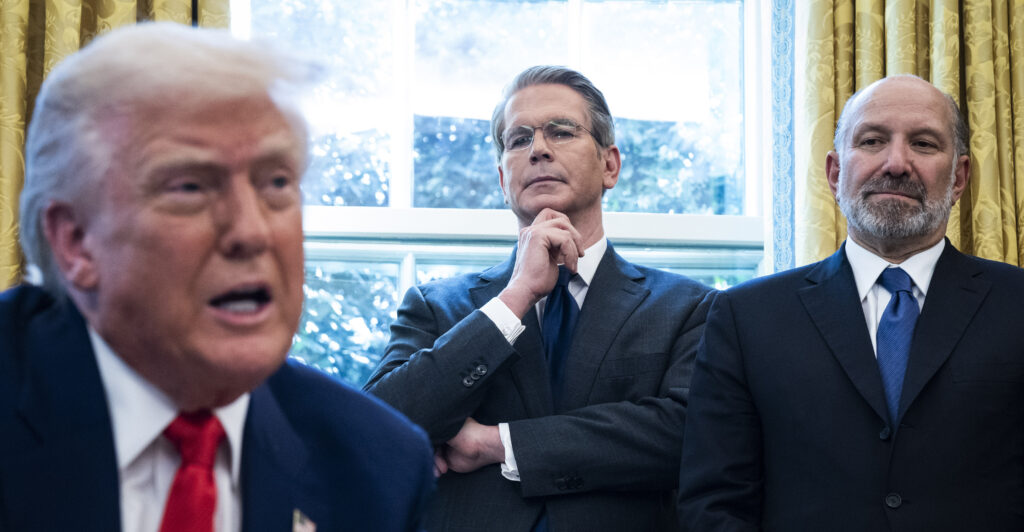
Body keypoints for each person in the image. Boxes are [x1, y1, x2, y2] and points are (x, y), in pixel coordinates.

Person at [0, 22, 433, 532]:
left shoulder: (376, 466)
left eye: (276, 182)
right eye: (189, 187)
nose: (252, 233)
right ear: (75, 242)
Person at [365, 65, 714, 532]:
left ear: (610, 165)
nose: (539, 149)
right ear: (501, 176)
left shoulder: (688, 308)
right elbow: (378, 428)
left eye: (561, 132)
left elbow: (687, 436)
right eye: (518, 139)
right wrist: (514, 298)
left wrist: (497, 444)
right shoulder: (435, 306)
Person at [678, 75, 1024, 530]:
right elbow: (714, 504)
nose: (896, 163)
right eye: (872, 140)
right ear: (835, 172)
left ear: (959, 178)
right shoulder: (746, 318)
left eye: (922, 144)